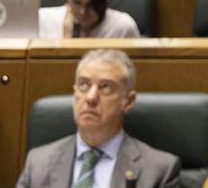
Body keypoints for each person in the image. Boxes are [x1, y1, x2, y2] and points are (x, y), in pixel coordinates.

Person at [16, 48, 181, 187]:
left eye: (105, 87)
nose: (91, 97)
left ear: (128, 101)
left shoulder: (159, 170)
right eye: (84, 85)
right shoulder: (38, 163)